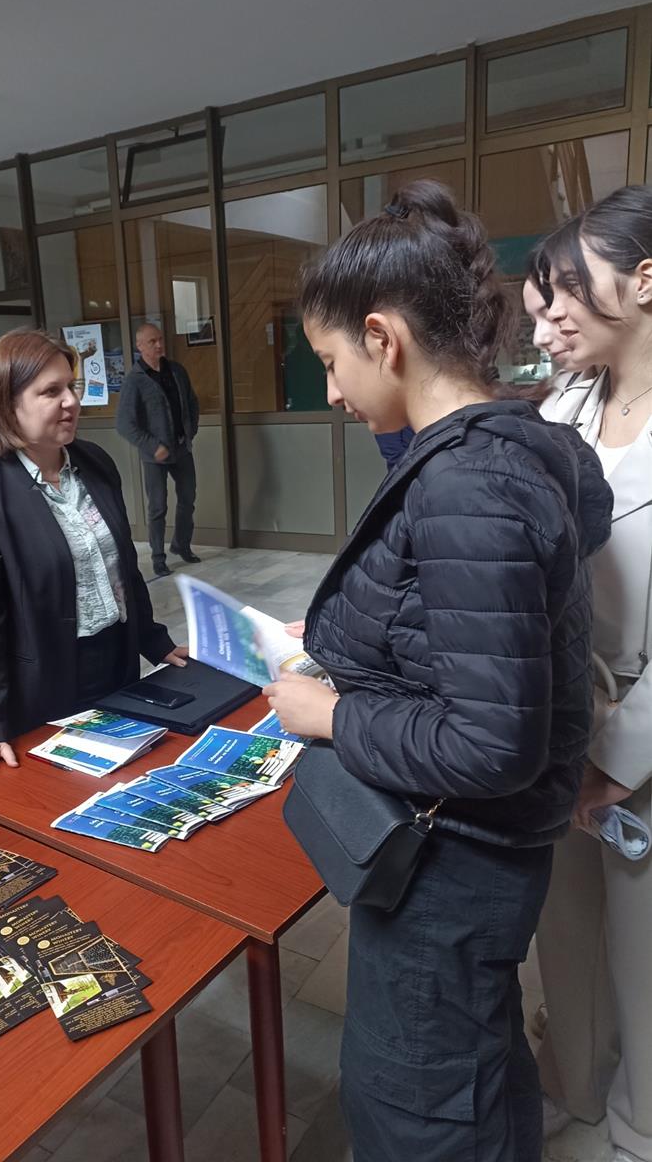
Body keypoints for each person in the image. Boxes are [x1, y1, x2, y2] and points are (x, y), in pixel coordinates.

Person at [263, 181, 612, 1162]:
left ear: (382, 339)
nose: (333, 393)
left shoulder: (467, 481)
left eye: (330, 363)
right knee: (477, 1070)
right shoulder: (505, 449)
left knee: (420, 1108)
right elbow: (467, 615)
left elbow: (491, 742)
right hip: (469, 856)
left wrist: (329, 715)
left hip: (451, 861)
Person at [527, 186, 652, 1162]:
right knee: (563, 931)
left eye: (570, 289)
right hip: (557, 720)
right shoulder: (563, 405)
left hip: (641, 739)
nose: (550, 318)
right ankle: (572, 1081)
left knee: (642, 949)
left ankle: (639, 1121)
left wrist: (620, 758)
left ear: (645, 280)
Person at [0, 329, 187, 788]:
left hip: (118, 663)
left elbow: (122, 567)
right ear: (7, 403)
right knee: (58, 797)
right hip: (44, 684)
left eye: (72, 386)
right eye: (51, 391)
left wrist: (154, 640)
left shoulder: (95, 463)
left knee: (126, 787)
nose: (71, 401)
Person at [116, 322, 200, 577]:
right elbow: (124, 424)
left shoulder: (176, 371)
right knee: (158, 507)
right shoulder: (134, 381)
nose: (159, 345)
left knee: (188, 498)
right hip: (155, 457)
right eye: (152, 341)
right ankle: (158, 558)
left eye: (160, 339)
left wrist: (190, 431)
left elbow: (191, 402)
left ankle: (181, 544)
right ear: (140, 346)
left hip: (181, 448)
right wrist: (153, 446)